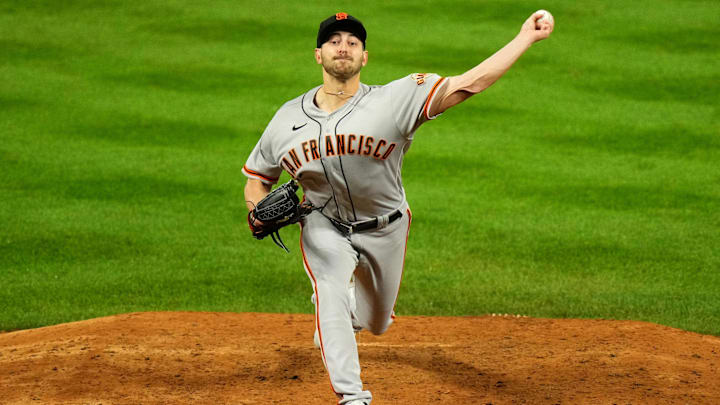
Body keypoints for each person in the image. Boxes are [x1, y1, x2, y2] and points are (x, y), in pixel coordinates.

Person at [243, 11, 554, 405]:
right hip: (324, 224)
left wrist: (525, 37)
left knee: (376, 323)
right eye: (334, 41)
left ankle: (340, 314)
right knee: (329, 285)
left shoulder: (396, 98)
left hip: (385, 227)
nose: (344, 47)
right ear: (317, 55)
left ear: (365, 57)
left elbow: (469, 83)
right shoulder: (286, 119)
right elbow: (257, 177)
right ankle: (352, 396)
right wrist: (254, 207)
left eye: (353, 42)